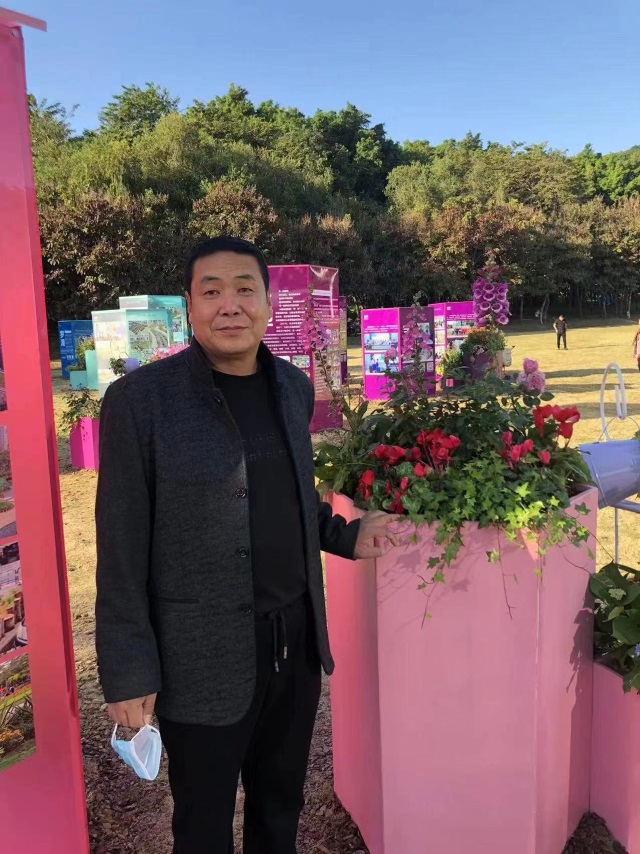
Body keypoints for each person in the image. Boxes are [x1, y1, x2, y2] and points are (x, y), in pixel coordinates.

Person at [95, 236, 406, 854]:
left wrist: (344, 536)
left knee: (280, 808)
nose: (229, 305)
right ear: (189, 305)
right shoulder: (140, 403)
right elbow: (120, 545)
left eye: (245, 289)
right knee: (202, 824)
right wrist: (128, 670)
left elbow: (289, 493)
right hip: (198, 656)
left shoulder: (291, 387)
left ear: (267, 302)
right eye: (211, 291)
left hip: (295, 645)